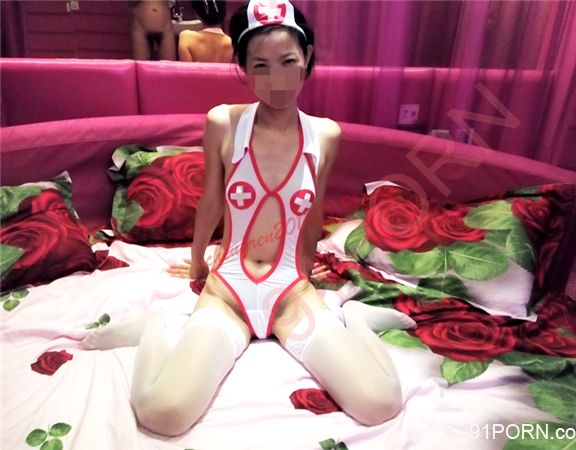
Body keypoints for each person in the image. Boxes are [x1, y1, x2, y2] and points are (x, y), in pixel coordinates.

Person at [81, 0, 414, 436]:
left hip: (290, 292)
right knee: (163, 413)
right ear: (242, 67)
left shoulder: (326, 134)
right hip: (229, 291)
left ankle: (358, 320)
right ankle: (154, 328)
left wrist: (306, 266)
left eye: (287, 62)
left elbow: (314, 208)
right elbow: (211, 201)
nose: (277, 80)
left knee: (381, 402)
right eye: (260, 66)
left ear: (307, 57)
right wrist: (198, 264)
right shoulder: (224, 122)